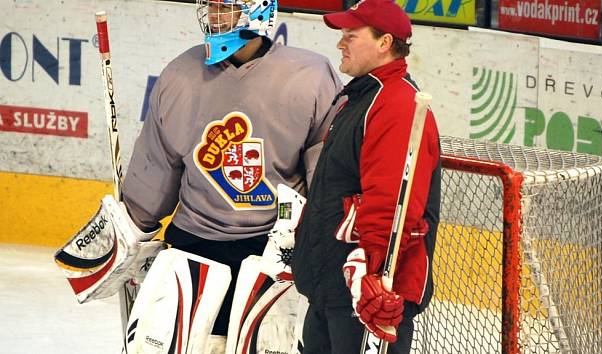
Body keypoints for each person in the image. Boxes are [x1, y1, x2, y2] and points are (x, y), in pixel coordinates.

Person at [120, 0, 342, 351]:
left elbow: (326, 176)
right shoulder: (180, 74)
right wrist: (128, 228)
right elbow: (155, 169)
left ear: (260, 11)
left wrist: (326, 243)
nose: (213, 16)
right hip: (193, 245)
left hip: (273, 250)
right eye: (210, 6)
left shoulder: (311, 76)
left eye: (226, 7)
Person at [291, 0, 441, 353]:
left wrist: (370, 271)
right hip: (332, 287)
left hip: (365, 298)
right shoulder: (361, 97)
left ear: (384, 43)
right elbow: (337, 188)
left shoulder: (397, 105)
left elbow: (392, 204)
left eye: (350, 35)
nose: (340, 44)